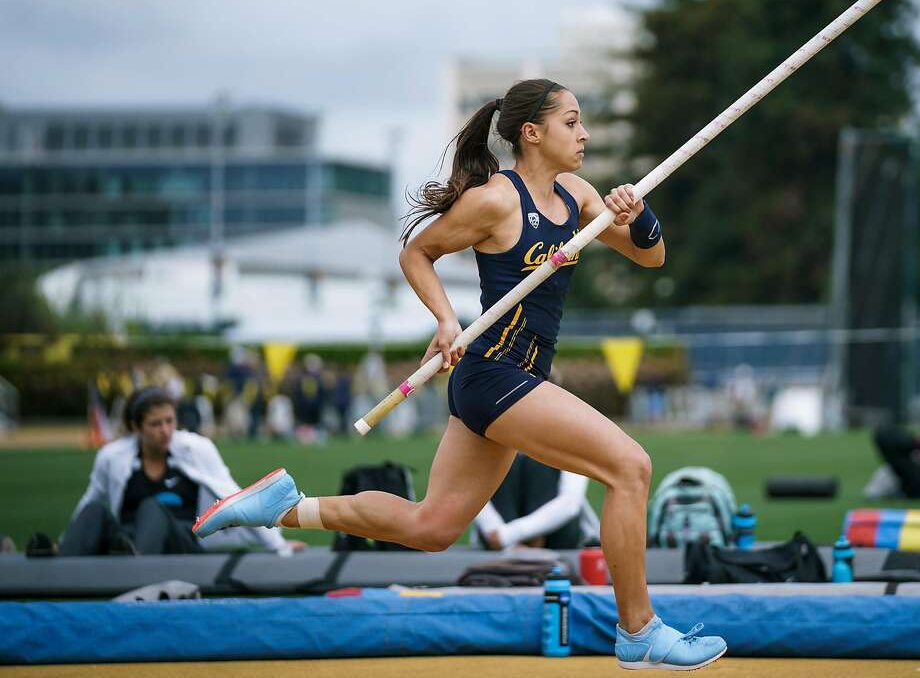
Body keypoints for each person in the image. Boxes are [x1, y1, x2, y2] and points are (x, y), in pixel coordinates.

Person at [194, 79, 727, 670]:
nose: (585, 134)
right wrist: (446, 319)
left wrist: (639, 211)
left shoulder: (577, 194)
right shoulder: (496, 200)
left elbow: (649, 254)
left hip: (509, 383)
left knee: (432, 527)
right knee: (630, 468)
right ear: (533, 133)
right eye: (572, 122)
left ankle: (284, 506)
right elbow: (416, 253)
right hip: (496, 376)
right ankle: (638, 631)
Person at [54, 386, 301, 557]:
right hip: (127, 539)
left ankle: (135, 564)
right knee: (95, 511)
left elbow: (236, 501)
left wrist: (278, 547)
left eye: (170, 421)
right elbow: (90, 501)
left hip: (180, 541)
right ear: (135, 427)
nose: (165, 430)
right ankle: (59, 559)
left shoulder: (196, 449)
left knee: (152, 508)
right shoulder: (112, 457)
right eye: (155, 424)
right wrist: (66, 541)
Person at [474, 453, 600, 550]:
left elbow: (570, 503)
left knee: (539, 460)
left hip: (555, 537)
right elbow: (471, 488)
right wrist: (497, 534)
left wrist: (512, 534)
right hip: (499, 537)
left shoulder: (570, 434)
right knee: (503, 456)